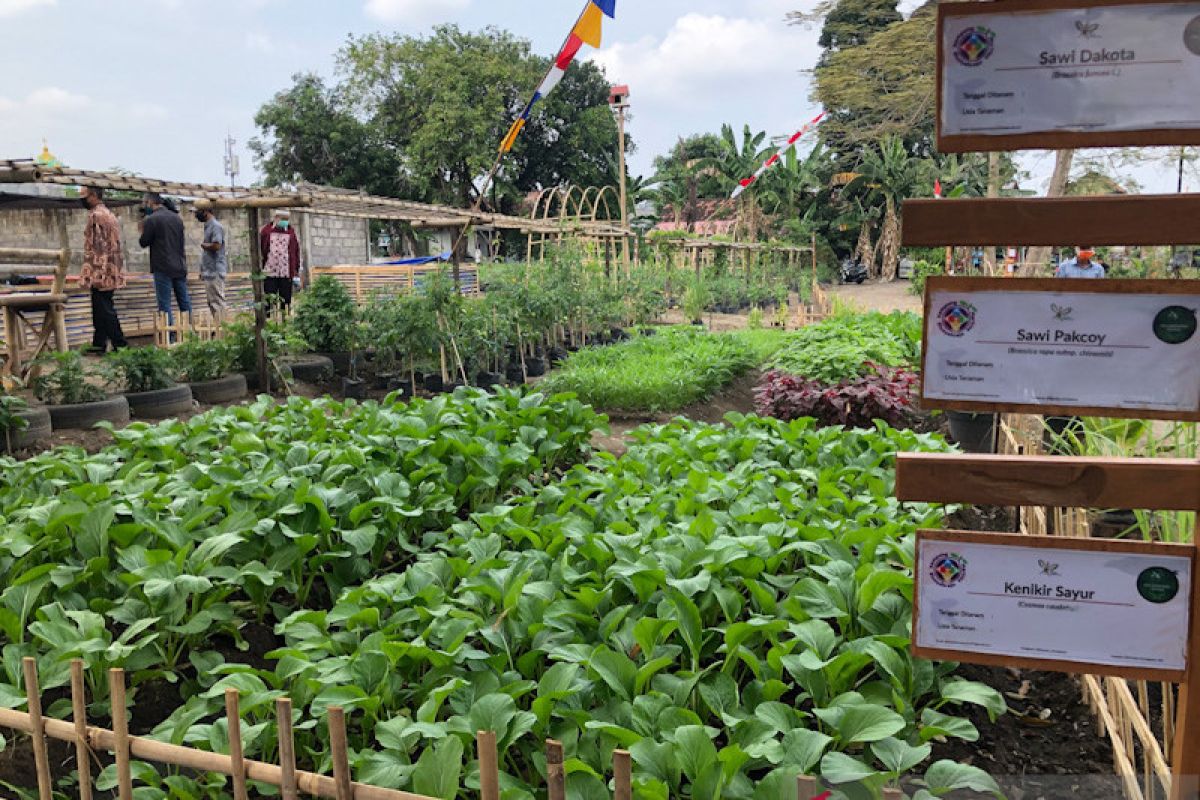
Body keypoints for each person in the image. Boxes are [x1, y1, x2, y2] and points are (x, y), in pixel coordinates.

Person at [78, 186, 127, 352]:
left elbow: (98, 246)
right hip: (112, 267)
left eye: (83, 196)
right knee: (100, 307)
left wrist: (95, 273)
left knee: (104, 308)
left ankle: (120, 343)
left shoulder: (96, 216)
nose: (82, 199)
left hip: (102, 270)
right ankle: (99, 343)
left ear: (93, 195)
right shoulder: (109, 214)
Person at [138, 192, 191, 321]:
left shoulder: (152, 219)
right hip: (179, 265)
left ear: (150, 202)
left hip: (162, 266)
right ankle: (190, 331)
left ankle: (171, 336)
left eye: (146, 203)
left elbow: (143, 242)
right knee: (184, 301)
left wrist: (141, 230)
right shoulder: (177, 218)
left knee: (165, 304)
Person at [260, 210, 301, 307]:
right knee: (269, 299)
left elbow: (296, 251)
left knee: (285, 300)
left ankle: (285, 318)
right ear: (276, 218)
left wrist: (296, 270)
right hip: (270, 271)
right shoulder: (266, 231)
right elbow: (261, 249)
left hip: (286, 272)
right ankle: (269, 319)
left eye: (287, 219)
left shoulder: (290, 232)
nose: (285, 221)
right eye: (283, 219)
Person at [194, 207, 227, 320]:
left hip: (215, 271)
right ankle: (219, 328)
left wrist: (205, 245)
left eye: (198, 211)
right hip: (209, 270)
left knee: (217, 302)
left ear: (206, 211)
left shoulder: (215, 226)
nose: (196, 214)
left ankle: (223, 330)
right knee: (212, 302)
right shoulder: (208, 226)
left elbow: (217, 245)